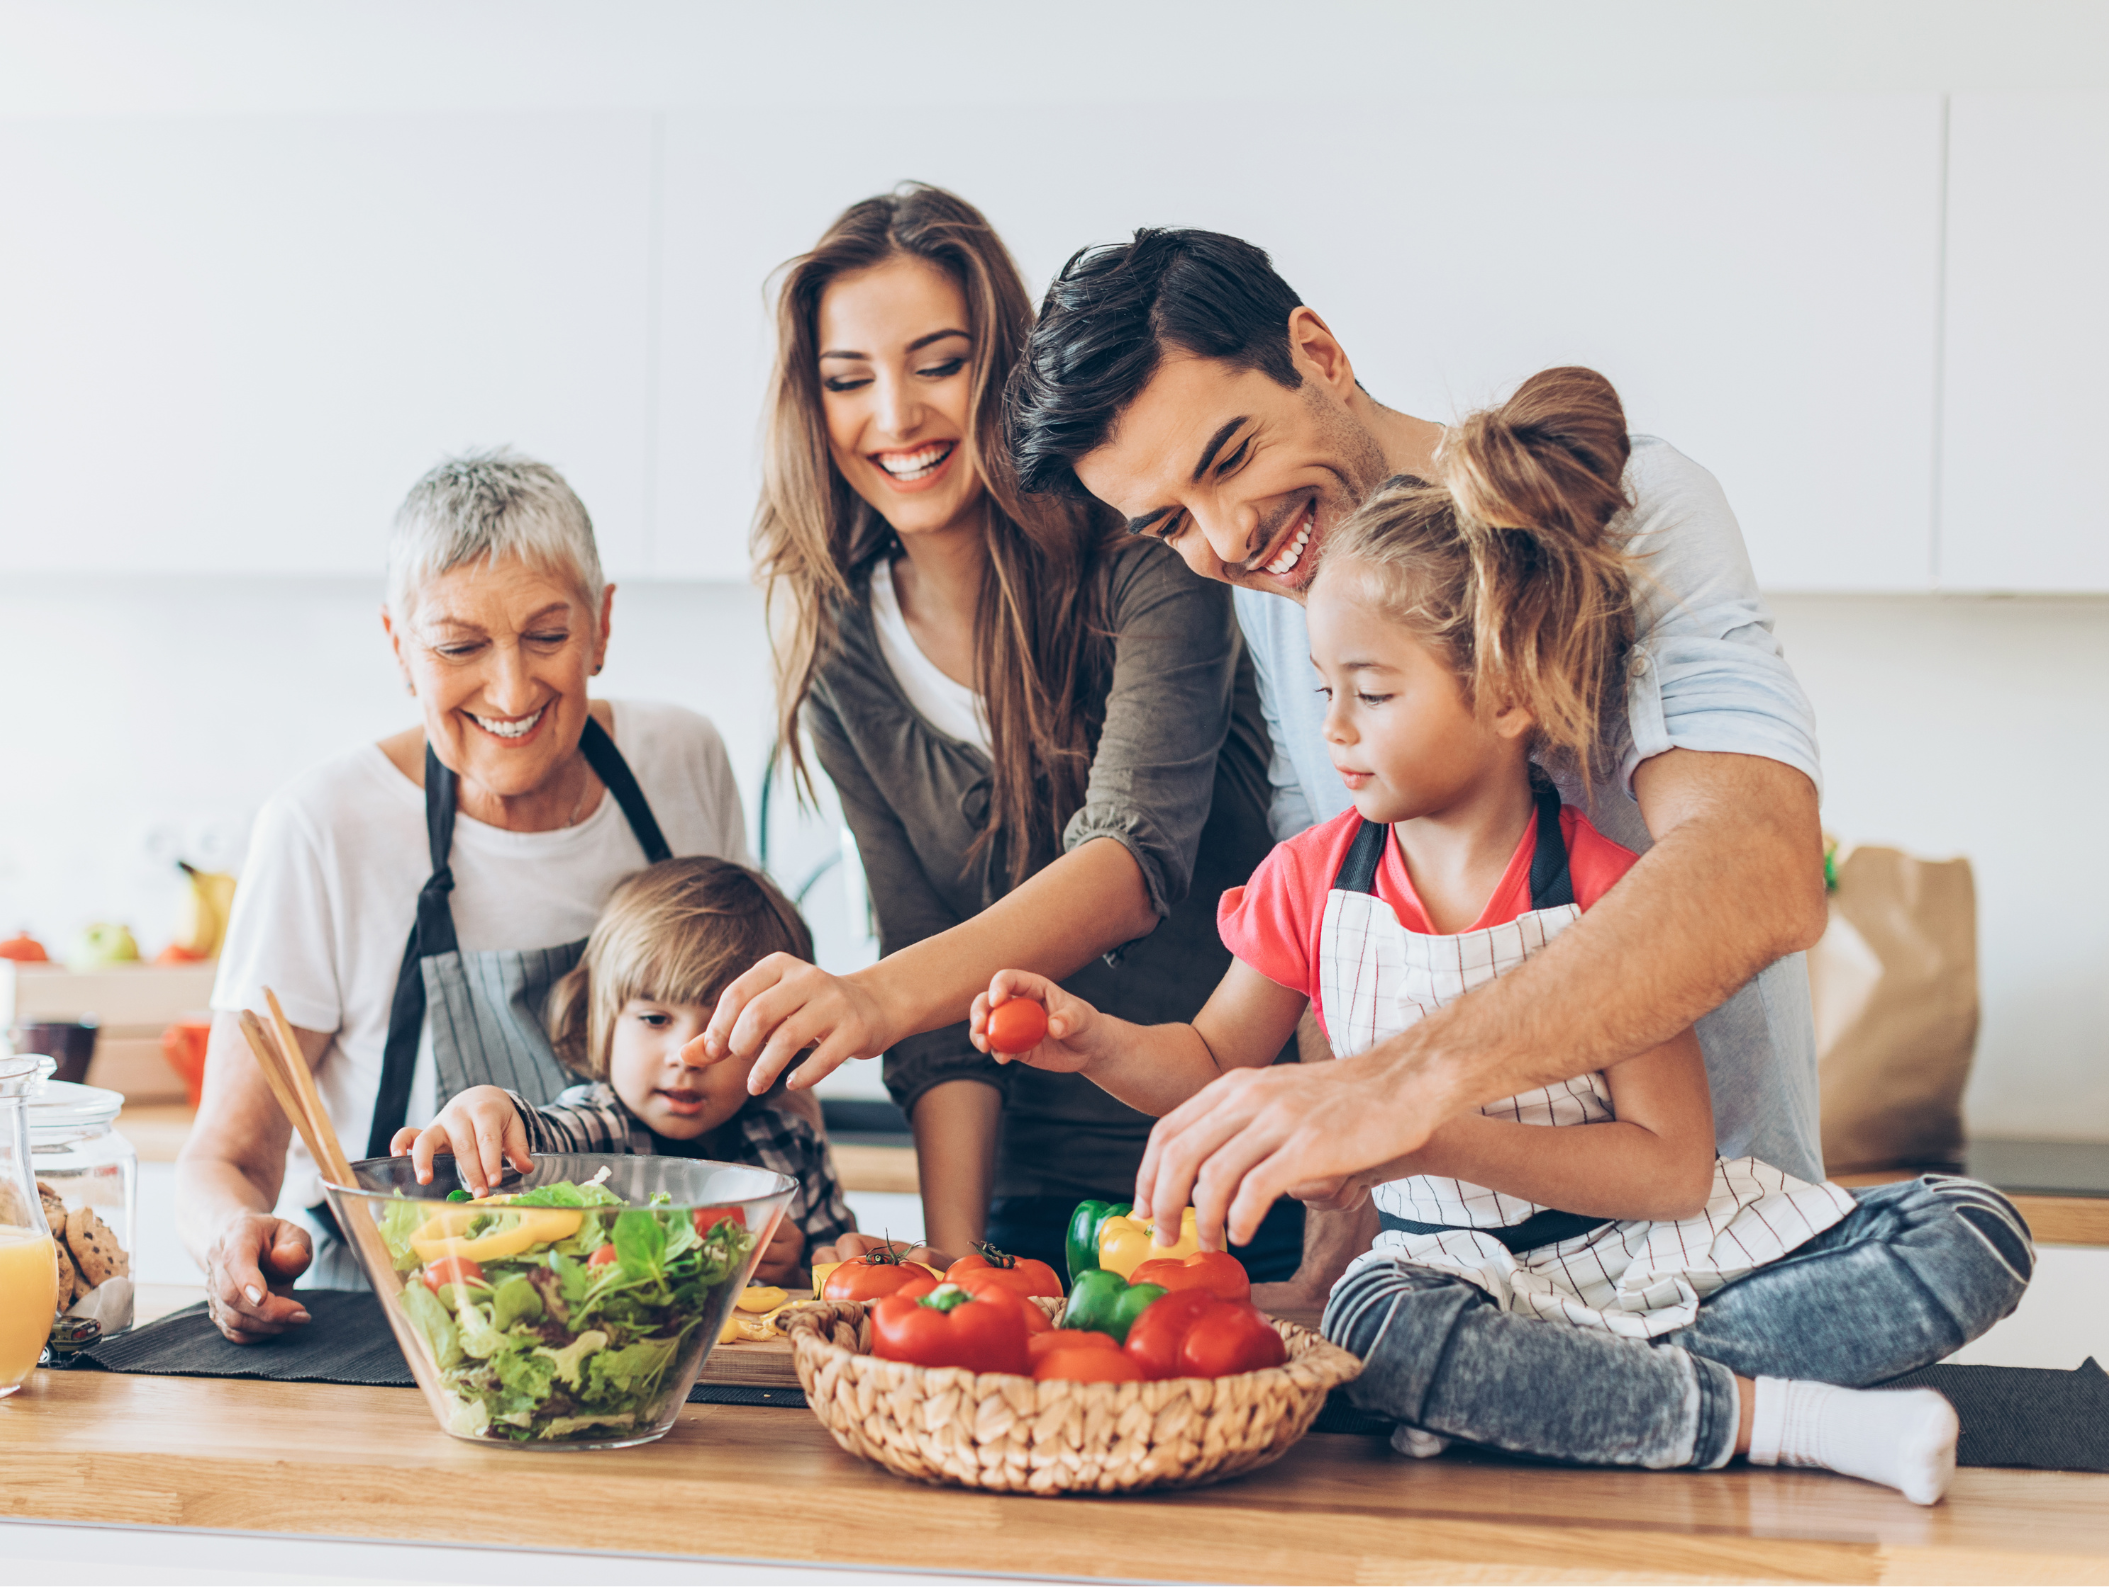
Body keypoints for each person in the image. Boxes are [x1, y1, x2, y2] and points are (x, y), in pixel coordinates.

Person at [973, 368, 2030, 1504]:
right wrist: (1093, 1042)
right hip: (1456, 1282)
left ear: (1508, 692)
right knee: (1383, 1324)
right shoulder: (1309, 883)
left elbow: (1673, 1171)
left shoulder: (1612, 897)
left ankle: (1550, 1401)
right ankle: (1770, 1419)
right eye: (1323, 689)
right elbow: (1209, 1061)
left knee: (1973, 1232)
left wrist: (1422, 1131)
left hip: (1652, 1259)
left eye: (1370, 694)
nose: (1331, 732)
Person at [1003, 230, 1834, 1290]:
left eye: (1229, 457)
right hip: (1456, 1279)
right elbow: (1333, 961)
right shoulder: (1282, 597)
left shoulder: (1632, 505)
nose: (1232, 539)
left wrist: (1403, 1094)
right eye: (1170, 522)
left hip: (1722, 1255)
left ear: (1317, 351)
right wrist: (1327, 1275)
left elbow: (1759, 868)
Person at [715, 185, 1295, 1280]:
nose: (893, 417)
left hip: (1237, 1178)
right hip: (1029, 1205)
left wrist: (868, 1000)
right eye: (848, 380)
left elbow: (1129, 863)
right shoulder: (841, 647)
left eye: (937, 363)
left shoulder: (1148, 558)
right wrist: (955, 1268)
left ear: (1006, 369)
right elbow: (930, 989)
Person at [178, 451, 750, 1341]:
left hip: (650, 1322)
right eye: (459, 646)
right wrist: (229, 1239)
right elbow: (227, 1154)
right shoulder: (323, 826)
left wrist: (781, 1222)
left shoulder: (681, 762)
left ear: (601, 624)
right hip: (396, 1334)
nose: (512, 689)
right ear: (399, 647)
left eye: (548, 636)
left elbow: (763, 1057)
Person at [392, 857, 856, 1288]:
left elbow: (841, 1284)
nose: (688, 1056)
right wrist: (488, 1106)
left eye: (727, 1030)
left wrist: (796, 1272)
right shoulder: (598, 1124)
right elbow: (539, 1135)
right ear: (602, 1022)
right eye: (655, 1020)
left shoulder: (794, 1143)